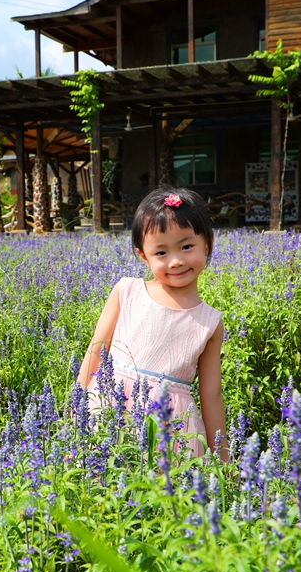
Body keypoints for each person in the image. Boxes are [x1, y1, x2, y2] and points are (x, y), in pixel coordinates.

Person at [76, 187, 227, 460]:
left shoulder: (210, 322)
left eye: (186, 246)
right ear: (144, 256)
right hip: (111, 409)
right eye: (161, 252)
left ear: (207, 244)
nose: (176, 261)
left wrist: (223, 459)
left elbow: (212, 395)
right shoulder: (126, 291)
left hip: (172, 429)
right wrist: (76, 413)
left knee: (166, 485)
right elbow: (96, 351)